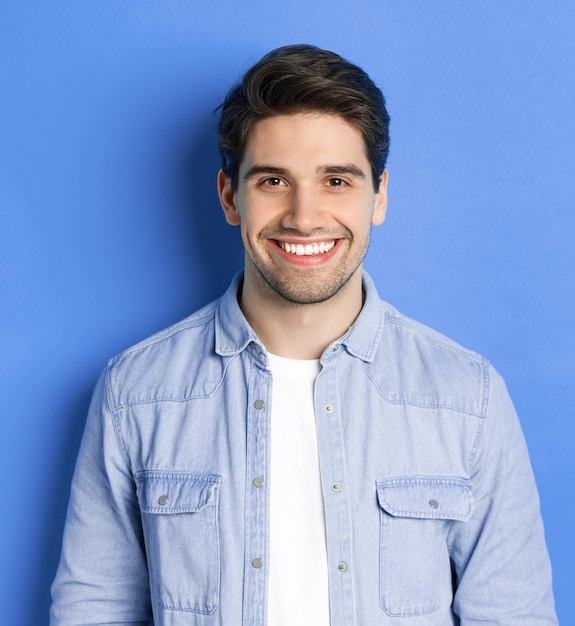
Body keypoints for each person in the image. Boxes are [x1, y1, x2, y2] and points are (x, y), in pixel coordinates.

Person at [50, 44, 557, 626]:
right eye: (273, 180)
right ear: (228, 196)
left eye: (337, 180)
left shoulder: (469, 398)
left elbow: (515, 616)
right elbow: (92, 611)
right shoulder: (135, 393)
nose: (305, 216)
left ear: (380, 195)